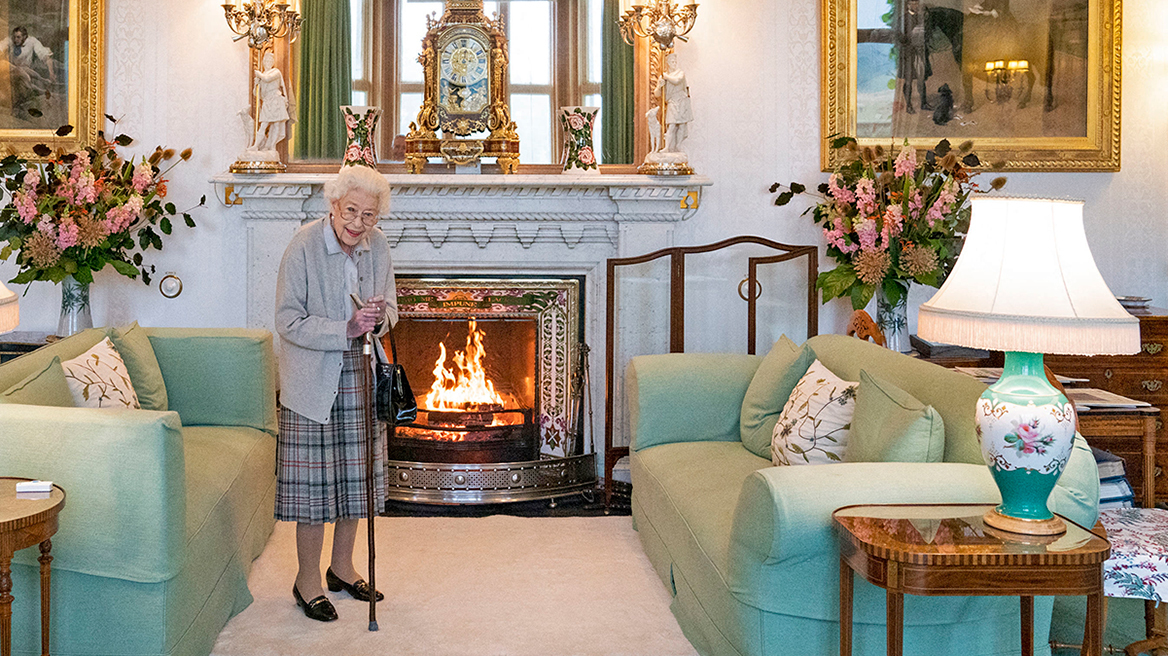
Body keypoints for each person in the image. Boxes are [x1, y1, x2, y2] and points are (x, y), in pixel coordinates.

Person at [274, 164, 397, 622]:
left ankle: (341, 568)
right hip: (312, 380)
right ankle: (306, 581)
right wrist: (344, 327)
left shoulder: (377, 246)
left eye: (369, 215)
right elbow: (286, 321)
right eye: (351, 211)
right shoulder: (304, 245)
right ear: (333, 205)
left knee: (354, 480)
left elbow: (392, 311)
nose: (358, 224)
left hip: (362, 373)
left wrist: (377, 318)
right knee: (314, 490)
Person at [250, 50, 290, 152]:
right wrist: (256, 84)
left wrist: (259, 75)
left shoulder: (275, 72)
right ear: (263, 61)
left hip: (276, 100)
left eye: (270, 60)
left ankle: (272, 146)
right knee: (263, 124)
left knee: (276, 124)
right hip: (267, 101)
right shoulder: (262, 75)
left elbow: (267, 79)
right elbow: (256, 93)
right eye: (266, 60)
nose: (268, 62)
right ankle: (256, 145)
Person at [653, 53, 693, 153]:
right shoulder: (664, 77)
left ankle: (678, 145)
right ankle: (667, 147)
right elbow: (657, 94)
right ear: (668, 63)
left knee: (682, 125)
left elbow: (677, 81)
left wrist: (666, 77)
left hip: (681, 101)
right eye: (672, 62)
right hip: (672, 102)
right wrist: (659, 86)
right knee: (671, 125)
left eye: (675, 62)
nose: (674, 64)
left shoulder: (680, 73)